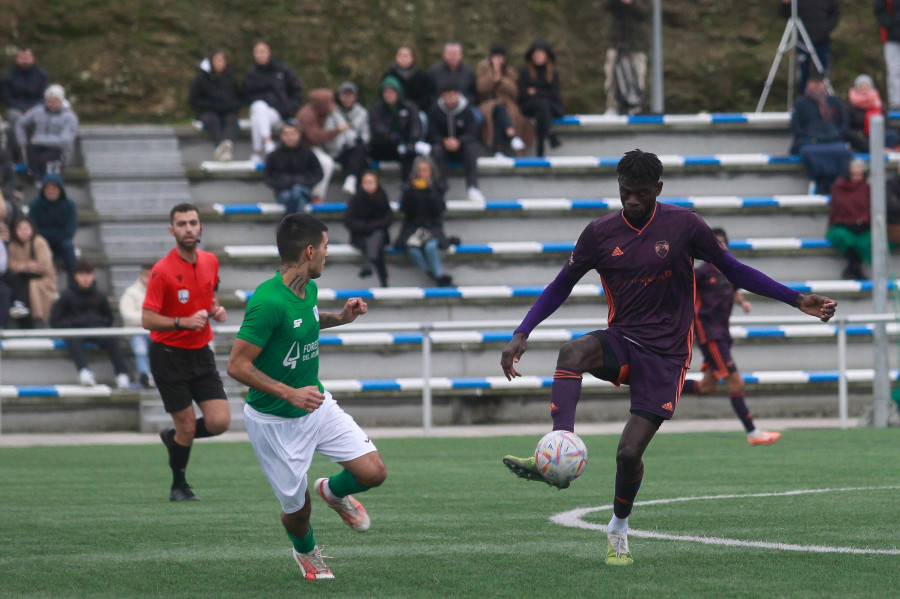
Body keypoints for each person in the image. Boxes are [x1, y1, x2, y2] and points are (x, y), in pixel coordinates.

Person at [499, 150, 837, 566]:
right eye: (626, 193)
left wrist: (796, 298)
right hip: (624, 340)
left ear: (658, 189)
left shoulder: (684, 225)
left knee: (628, 453)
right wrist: (522, 331)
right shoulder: (599, 234)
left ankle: (618, 529)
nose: (633, 201)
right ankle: (558, 447)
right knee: (572, 352)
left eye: (641, 193)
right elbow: (560, 284)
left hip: (668, 356)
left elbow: (734, 269)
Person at [226, 213, 387, 580]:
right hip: (274, 422)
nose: (328, 255)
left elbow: (306, 321)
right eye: (326, 248)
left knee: (373, 471)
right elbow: (236, 366)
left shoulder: (307, 288)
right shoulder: (267, 302)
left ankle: (333, 492)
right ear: (309, 251)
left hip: (315, 405)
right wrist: (289, 393)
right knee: (298, 512)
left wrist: (341, 319)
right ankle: (307, 552)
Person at [142, 203, 230, 502]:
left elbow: (208, 292)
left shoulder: (210, 261)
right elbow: (147, 319)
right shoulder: (162, 271)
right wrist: (181, 321)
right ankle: (178, 485)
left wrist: (215, 308)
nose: (188, 228)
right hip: (168, 356)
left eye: (193, 222)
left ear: (200, 227)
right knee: (188, 425)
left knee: (220, 422)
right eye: (182, 224)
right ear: (172, 230)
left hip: (201, 353)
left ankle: (175, 437)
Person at [679, 227, 782, 445]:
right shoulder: (702, 273)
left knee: (707, 387)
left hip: (722, 333)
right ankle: (753, 433)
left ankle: (661, 386)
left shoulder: (727, 271)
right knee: (735, 381)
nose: (719, 245)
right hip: (709, 334)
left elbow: (733, 288)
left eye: (722, 242)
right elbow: (682, 293)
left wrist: (742, 302)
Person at [49, 260, 131, 389]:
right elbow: (55, 321)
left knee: (112, 339)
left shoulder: (100, 296)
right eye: (82, 274)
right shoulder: (66, 296)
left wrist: (95, 322)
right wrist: (75, 323)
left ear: (93, 276)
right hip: (76, 332)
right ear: (76, 276)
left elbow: (108, 318)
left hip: (96, 330)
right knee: (72, 337)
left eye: (88, 274)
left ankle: (122, 374)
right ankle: (84, 372)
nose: (85, 278)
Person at [395, 156, 456, 286]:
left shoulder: (437, 187)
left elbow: (439, 210)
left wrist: (430, 192)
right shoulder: (408, 188)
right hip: (412, 227)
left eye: (425, 170)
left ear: (431, 172)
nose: (423, 173)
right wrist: (411, 193)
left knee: (431, 246)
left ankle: (438, 275)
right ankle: (432, 273)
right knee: (413, 249)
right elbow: (404, 209)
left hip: (432, 226)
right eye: (420, 170)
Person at [243, 41, 303, 166]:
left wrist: (290, 107)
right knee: (259, 107)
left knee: (256, 119)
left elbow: (296, 90)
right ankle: (268, 142)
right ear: (254, 55)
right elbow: (246, 95)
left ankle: (257, 153)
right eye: (258, 52)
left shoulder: (282, 70)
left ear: (269, 53)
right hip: (258, 109)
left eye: (263, 51)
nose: (261, 55)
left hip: (278, 111)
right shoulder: (251, 74)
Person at [789, 74, 851, 194]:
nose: (817, 86)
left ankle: (838, 182)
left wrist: (836, 135)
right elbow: (795, 126)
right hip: (810, 142)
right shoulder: (801, 103)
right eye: (814, 82)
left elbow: (844, 123)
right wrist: (809, 136)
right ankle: (819, 180)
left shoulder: (834, 101)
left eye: (820, 82)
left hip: (833, 139)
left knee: (844, 152)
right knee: (808, 153)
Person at [428, 82, 484, 202]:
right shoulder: (435, 110)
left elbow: (472, 132)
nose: (449, 100)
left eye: (452, 96)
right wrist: (444, 141)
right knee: (436, 150)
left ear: (458, 95)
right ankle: (440, 189)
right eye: (446, 97)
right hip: (443, 146)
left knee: (471, 150)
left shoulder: (467, 110)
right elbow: (431, 133)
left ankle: (473, 188)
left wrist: (459, 141)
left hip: (462, 147)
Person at [368, 75, 428, 181]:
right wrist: (393, 137)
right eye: (386, 92)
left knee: (411, 155)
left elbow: (416, 126)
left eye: (392, 92)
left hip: (405, 145)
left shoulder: (409, 107)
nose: (389, 95)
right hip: (384, 147)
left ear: (398, 93)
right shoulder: (377, 109)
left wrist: (411, 141)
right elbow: (377, 129)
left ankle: (408, 186)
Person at [14, 84, 79, 182]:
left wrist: (39, 140)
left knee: (43, 158)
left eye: (55, 101)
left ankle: (46, 179)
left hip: (57, 150)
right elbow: (20, 123)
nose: (52, 104)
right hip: (37, 146)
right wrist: (22, 142)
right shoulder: (38, 110)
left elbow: (65, 140)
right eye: (49, 101)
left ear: (61, 101)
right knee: (31, 150)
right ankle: (35, 177)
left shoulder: (70, 117)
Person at [476, 43, 531, 157]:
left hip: (507, 104)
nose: (498, 60)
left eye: (500, 57)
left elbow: (515, 91)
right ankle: (512, 137)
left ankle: (500, 149)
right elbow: (480, 88)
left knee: (506, 113)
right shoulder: (483, 70)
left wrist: (501, 80)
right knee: (497, 110)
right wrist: (492, 78)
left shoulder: (510, 72)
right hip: (488, 104)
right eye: (495, 57)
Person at [189, 49, 242, 162]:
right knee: (212, 120)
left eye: (222, 60)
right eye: (217, 60)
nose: (220, 63)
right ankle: (220, 146)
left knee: (231, 119)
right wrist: (211, 106)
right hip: (208, 111)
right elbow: (194, 100)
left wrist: (231, 106)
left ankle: (227, 144)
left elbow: (237, 97)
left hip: (227, 111)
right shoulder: (201, 79)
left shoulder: (230, 78)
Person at [779, 0, 840, 96]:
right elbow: (785, 14)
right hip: (802, 41)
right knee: (803, 74)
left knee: (823, 73)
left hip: (822, 40)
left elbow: (835, 14)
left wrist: (825, 28)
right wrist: (786, 4)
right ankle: (803, 100)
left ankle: (824, 102)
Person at [263, 121, 324, 215]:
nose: (289, 137)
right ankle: (297, 226)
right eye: (286, 134)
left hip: (304, 189)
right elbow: (266, 175)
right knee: (297, 198)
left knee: (298, 192)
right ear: (282, 136)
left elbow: (318, 173)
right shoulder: (274, 155)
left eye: (292, 134)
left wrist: (307, 183)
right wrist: (278, 185)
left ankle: (288, 225)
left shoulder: (308, 153)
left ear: (299, 135)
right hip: (283, 191)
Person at [344, 170, 393, 287]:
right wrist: (365, 227)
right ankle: (383, 279)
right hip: (360, 236)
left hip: (377, 233)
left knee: (377, 237)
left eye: (371, 182)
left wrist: (372, 226)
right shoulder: (356, 199)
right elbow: (348, 220)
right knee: (377, 244)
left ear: (377, 183)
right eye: (366, 182)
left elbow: (388, 218)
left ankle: (368, 264)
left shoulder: (382, 197)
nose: (368, 185)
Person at [296, 89, 345, 203]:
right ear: (322, 103)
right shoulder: (307, 115)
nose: (333, 105)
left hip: (312, 146)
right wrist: (337, 130)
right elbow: (316, 137)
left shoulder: (319, 111)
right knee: (326, 163)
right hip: (303, 148)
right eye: (330, 102)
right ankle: (317, 195)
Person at [6, 217, 56, 327]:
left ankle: (24, 310)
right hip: (22, 279)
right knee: (15, 279)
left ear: (32, 229)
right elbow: (11, 266)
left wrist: (22, 266)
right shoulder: (13, 246)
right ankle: (20, 308)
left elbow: (44, 266)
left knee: (27, 284)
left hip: (43, 279)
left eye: (26, 229)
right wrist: (29, 265)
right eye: (20, 229)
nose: (23, 232)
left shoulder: (39, 242)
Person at [826, 159, 871, 279]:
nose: (856, 177)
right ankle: (855, 266)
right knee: (843, 237)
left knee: (866, 240)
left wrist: (862, 220)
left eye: (859, 175)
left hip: (862, 227)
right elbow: (838, 208)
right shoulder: (838, 187)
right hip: (841, 225)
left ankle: (853, 268)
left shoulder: (867, 188)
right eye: (854, 174)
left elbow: (868, 209)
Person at [518, 39, 565, 156]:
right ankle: (549, 134)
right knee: (541, 106)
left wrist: (536, 92)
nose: (538, 56)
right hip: (530, 106)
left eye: (541, 53)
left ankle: (542, 145)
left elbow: (554, 94)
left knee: (542, 109)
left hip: (549, 107)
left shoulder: (552, 73)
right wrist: (542, 93)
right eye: (535, 54)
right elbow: (523, 94)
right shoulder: (525, 73)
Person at [0, 47, 49, 157]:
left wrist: (31, 110)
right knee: (17, 120)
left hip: (36, 108)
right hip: (15, 109)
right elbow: (6, 98)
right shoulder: (8, 76)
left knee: (38, 119)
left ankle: (38, 152)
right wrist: (23, 109)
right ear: (17, 59)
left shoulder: (41, 74)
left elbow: (45, 96)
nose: (25, 61)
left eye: (27, 57)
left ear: (33, 58)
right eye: (22, 58)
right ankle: (19, 153)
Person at [28, 173, 77, 281]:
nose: (51, 191)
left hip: (61, 244)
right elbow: (32, 229)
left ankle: (74, 284)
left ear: (60, 189)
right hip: (41, 243)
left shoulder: (69, 205)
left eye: (54, 188)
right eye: (48, 188)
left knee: (68, 246)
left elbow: (70, 231)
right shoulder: (35, 205)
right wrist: (51, 236)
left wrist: (51, 235)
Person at [324, 81, 370, 196]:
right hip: (338, 150)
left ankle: (352, 179)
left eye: (351, 95)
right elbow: (328, 134)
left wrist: (356, 139)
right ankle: (358, 186)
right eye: (345, 95)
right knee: (361, 162)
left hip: (356, 149)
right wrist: (344, 140)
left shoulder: (362, 112)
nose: (348, 99)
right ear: (339, 97)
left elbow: (366, 134)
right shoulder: (332, 113)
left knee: (358, 151)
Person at [604, 1, 650, 115]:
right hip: (616, 41)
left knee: (637, 76)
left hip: (637, 44)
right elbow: (606, 6)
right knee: (612, 75)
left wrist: (631, 3)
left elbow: (646, 11)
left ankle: (635, 107)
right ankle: (612, 106)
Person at [119, 264, 156, 389]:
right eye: (146, 275)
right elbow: (127, 315)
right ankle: (145, 375)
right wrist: (148, 319)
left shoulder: (162, 292)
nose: (148, 279)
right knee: (140, 349)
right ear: (141, 275)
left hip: (157, 331)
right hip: (137, 332)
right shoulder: (131, 292)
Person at [843, 74, 899, 152]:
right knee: (853, 137)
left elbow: (886, 124)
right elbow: (848, 127)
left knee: (893, 135)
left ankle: (875, 149)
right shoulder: (850, 107)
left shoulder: (880, 104)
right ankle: (875, 149)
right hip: (860, 137)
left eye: (867, 87)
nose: (864, 90)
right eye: (861, 87)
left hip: (878, 136)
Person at [427, 41, 479, 111]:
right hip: (439, 108)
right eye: (449, 53)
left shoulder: (469, 72)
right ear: (444, 55)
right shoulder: (434, 71)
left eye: (455, 53)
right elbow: (429, 94)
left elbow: (474, 94)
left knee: (478, 117)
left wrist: (465, 102)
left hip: (465, 108)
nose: (452, 56)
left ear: (461, 55)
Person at [383, 45, 433, 113]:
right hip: (393, 111)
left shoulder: (422, 77)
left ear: (412, 58)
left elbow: (426, 97)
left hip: (417, 111)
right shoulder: (389, 76)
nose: (403, 58)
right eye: (400, 55)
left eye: (406, 56)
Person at [877, 0, 900, 111]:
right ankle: (895, 103)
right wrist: (891, 24)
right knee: (894, 71)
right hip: (891, 38)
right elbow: (879, 11)